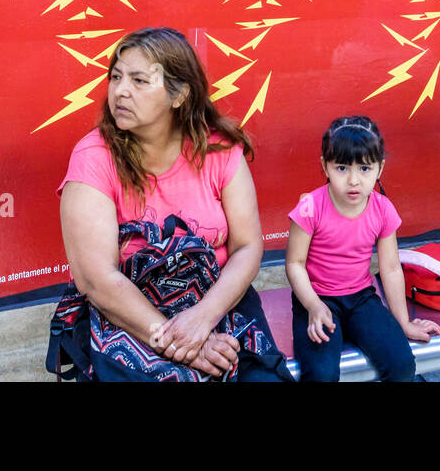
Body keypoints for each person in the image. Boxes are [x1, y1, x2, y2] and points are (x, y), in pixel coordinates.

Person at [57, 26, 291, 381]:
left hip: (219, 304)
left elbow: (247, 246)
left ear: (179, 94)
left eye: (138, 81)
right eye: (116, 77)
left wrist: (204, 317)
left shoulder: (220, 150)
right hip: (132, 316)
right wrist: (180, 341)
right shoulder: (94, 158)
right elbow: (98, 281)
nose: (120, 91)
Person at [285, 115, 440, 382]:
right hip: (316, 299)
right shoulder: (310, 207)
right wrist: (312, 305)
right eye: (342, 168)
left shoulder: (383, 209)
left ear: (380, 169)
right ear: (325, 166)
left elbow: (390, 268)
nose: (354, 180)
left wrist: (403, 322)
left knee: (402, 364)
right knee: (321, 374)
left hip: (361, 299)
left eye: (365, 169)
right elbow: (294, 264)